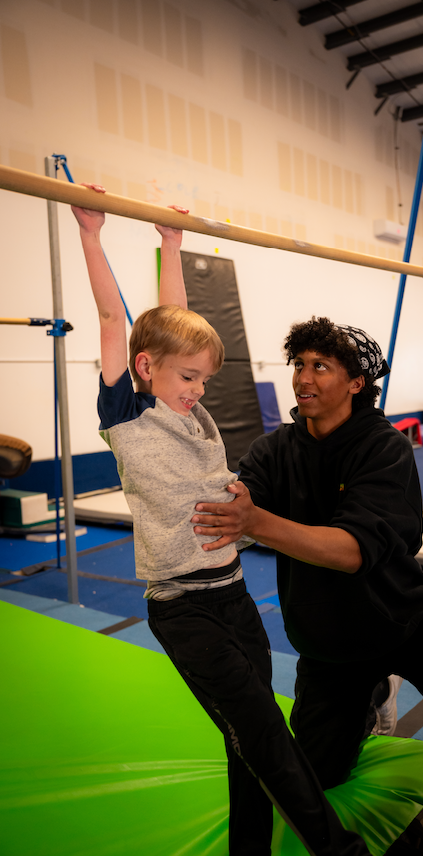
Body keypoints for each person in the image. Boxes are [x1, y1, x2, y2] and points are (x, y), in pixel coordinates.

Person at [72, 196, 372, 856]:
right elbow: (110, 318)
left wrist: (171, 244)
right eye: (188, 377)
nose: (200, 390)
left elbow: (180, 326)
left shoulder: (188, 406)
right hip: (184, 609)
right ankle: (336, 848)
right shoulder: (128, 412)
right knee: (265, 732)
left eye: (205, 378)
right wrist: (91, 234)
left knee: (248, 742)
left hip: (234, 594)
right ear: (145, 369)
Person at [192, 317, 423, 856]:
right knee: (310, 777)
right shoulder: (277, 449)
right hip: (331, 644)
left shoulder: (383, 447)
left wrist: (255, 523)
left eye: (320, 365)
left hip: (406, 623)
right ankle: (365, 703)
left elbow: (352, 551)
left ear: (355, 383)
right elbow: (236, 500)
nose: (303, 377)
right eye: (298, 364)